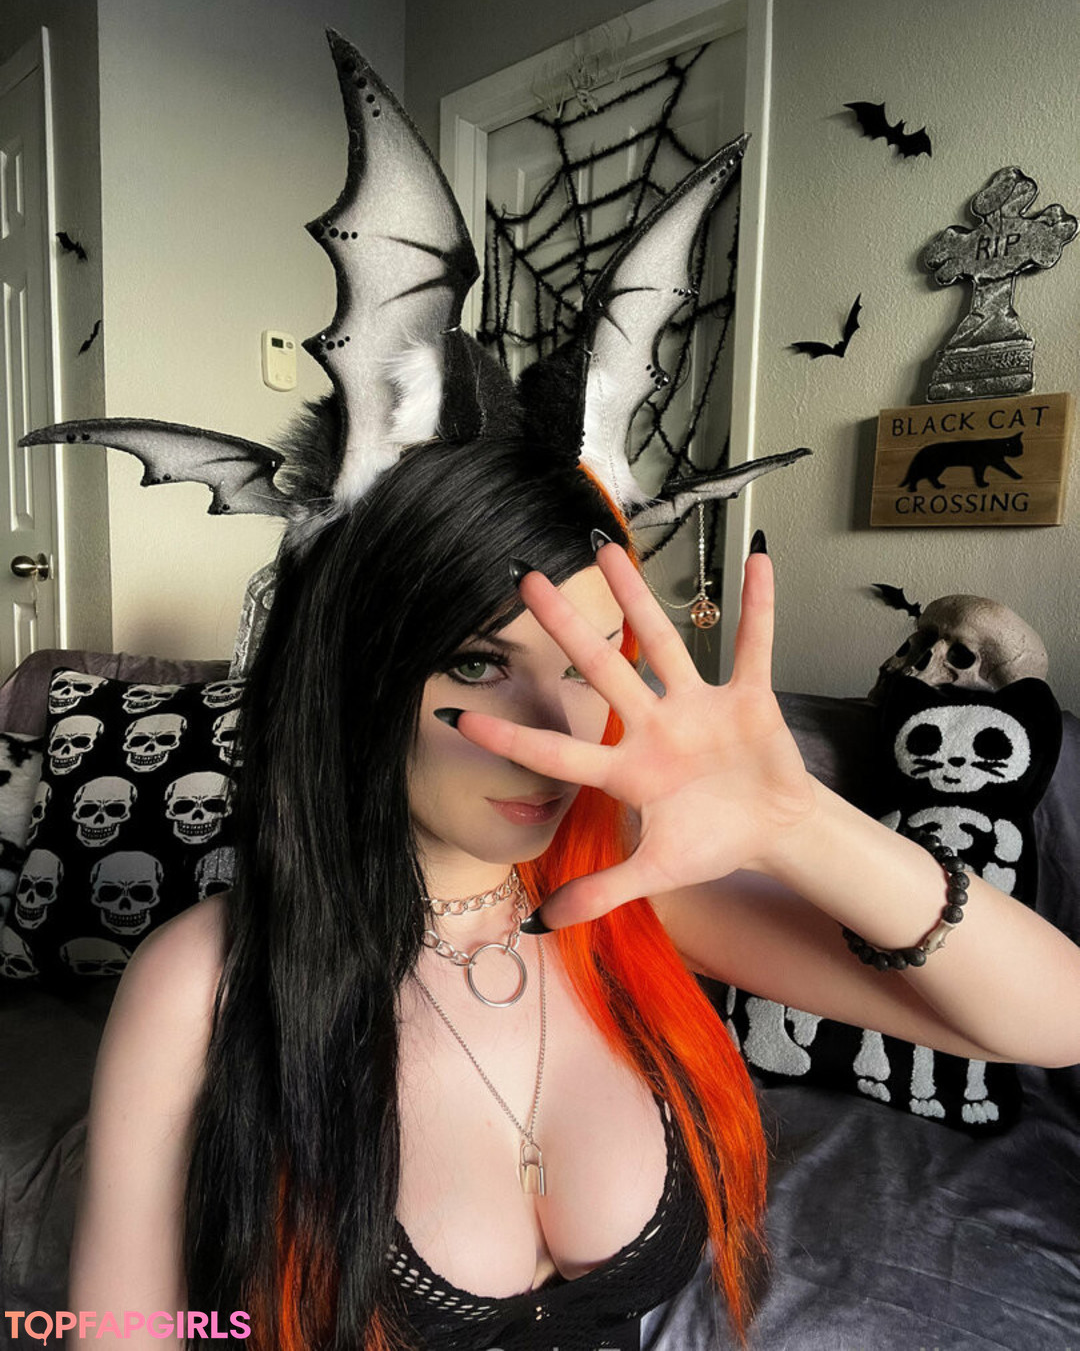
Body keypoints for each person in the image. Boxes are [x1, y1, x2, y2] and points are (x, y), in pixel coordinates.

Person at [67, 433, 1080, 1351]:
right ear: (354, 673)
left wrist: (803, 823)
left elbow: (1055, 1017)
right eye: (480, 662)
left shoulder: (627, 897)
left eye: (590, 665)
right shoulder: (201, 978)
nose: (555, 730)